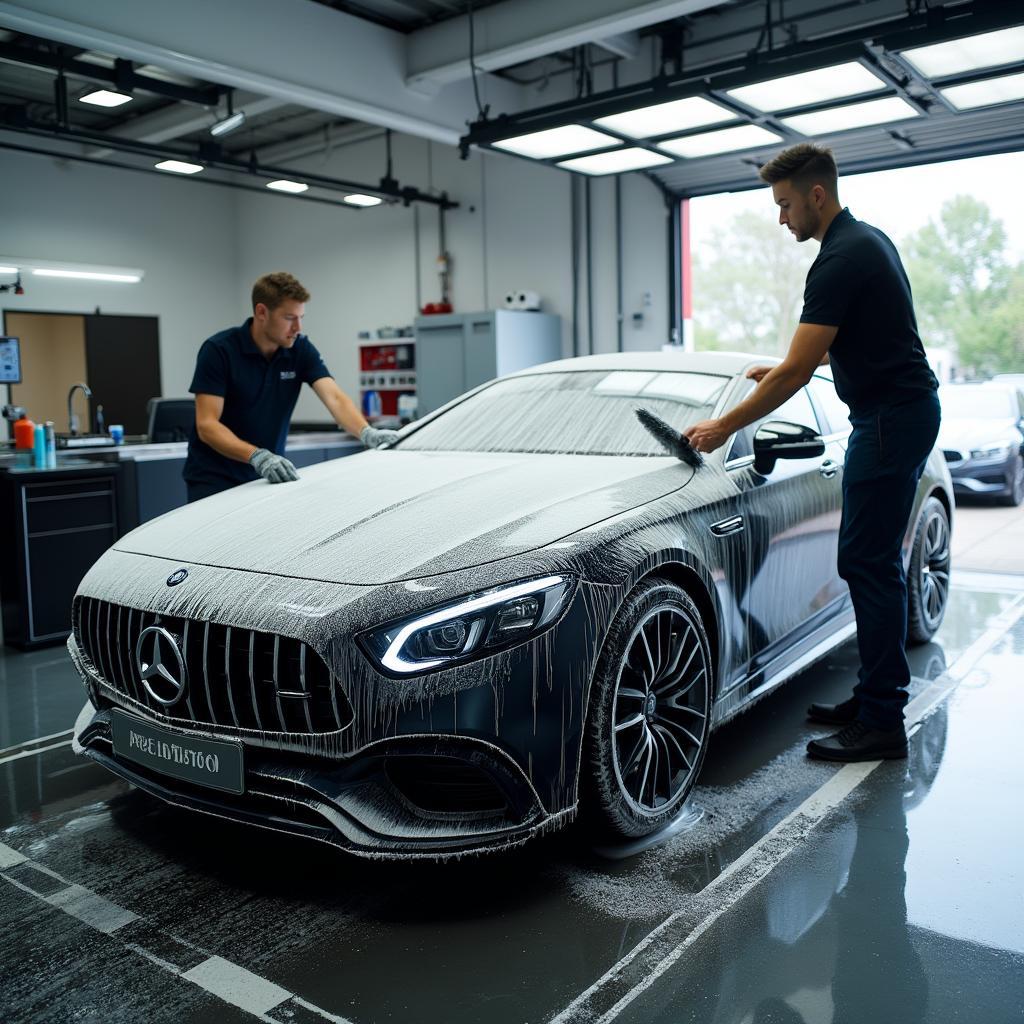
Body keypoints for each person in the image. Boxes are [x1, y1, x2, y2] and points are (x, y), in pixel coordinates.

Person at [683, 142, 940, 763]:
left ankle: (881, 721)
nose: (781, 218)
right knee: (868, 563)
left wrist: (722, 427)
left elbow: (799, 374)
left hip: (887, 422)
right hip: (900, 416)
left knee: (866, 563)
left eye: (785, 204)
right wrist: (791, 365)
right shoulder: (866, 241)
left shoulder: (838, 261)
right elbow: (841, 344)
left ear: (815, 195)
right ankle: (876, 696)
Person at [183, 272, 397, 501]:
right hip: (214, 480)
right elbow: (207, 425)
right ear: (261, 312)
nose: (298, 327)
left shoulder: (300, 349)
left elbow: (334, 397)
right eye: (289, 318)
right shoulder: (219, 350)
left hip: (267, 477)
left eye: (301, 317)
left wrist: (367, 433)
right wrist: (257, 456)